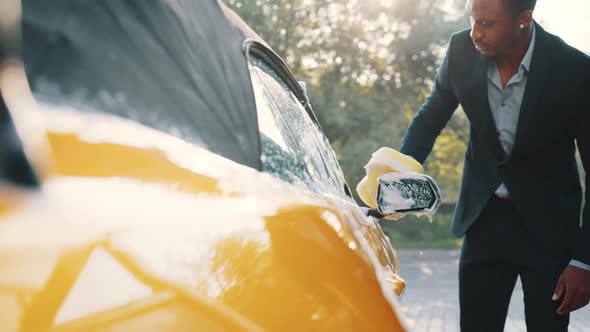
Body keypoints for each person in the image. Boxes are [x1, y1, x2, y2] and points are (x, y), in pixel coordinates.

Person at [399, 0, 590, 330]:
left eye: (487, 23)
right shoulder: (461, 49)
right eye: (472, 20)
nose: (475, 32)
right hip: (483, 220)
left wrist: (584, 260)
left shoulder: (574, 70)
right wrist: (396, 176)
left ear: (523, 19)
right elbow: (430, 118)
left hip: (549, 230)